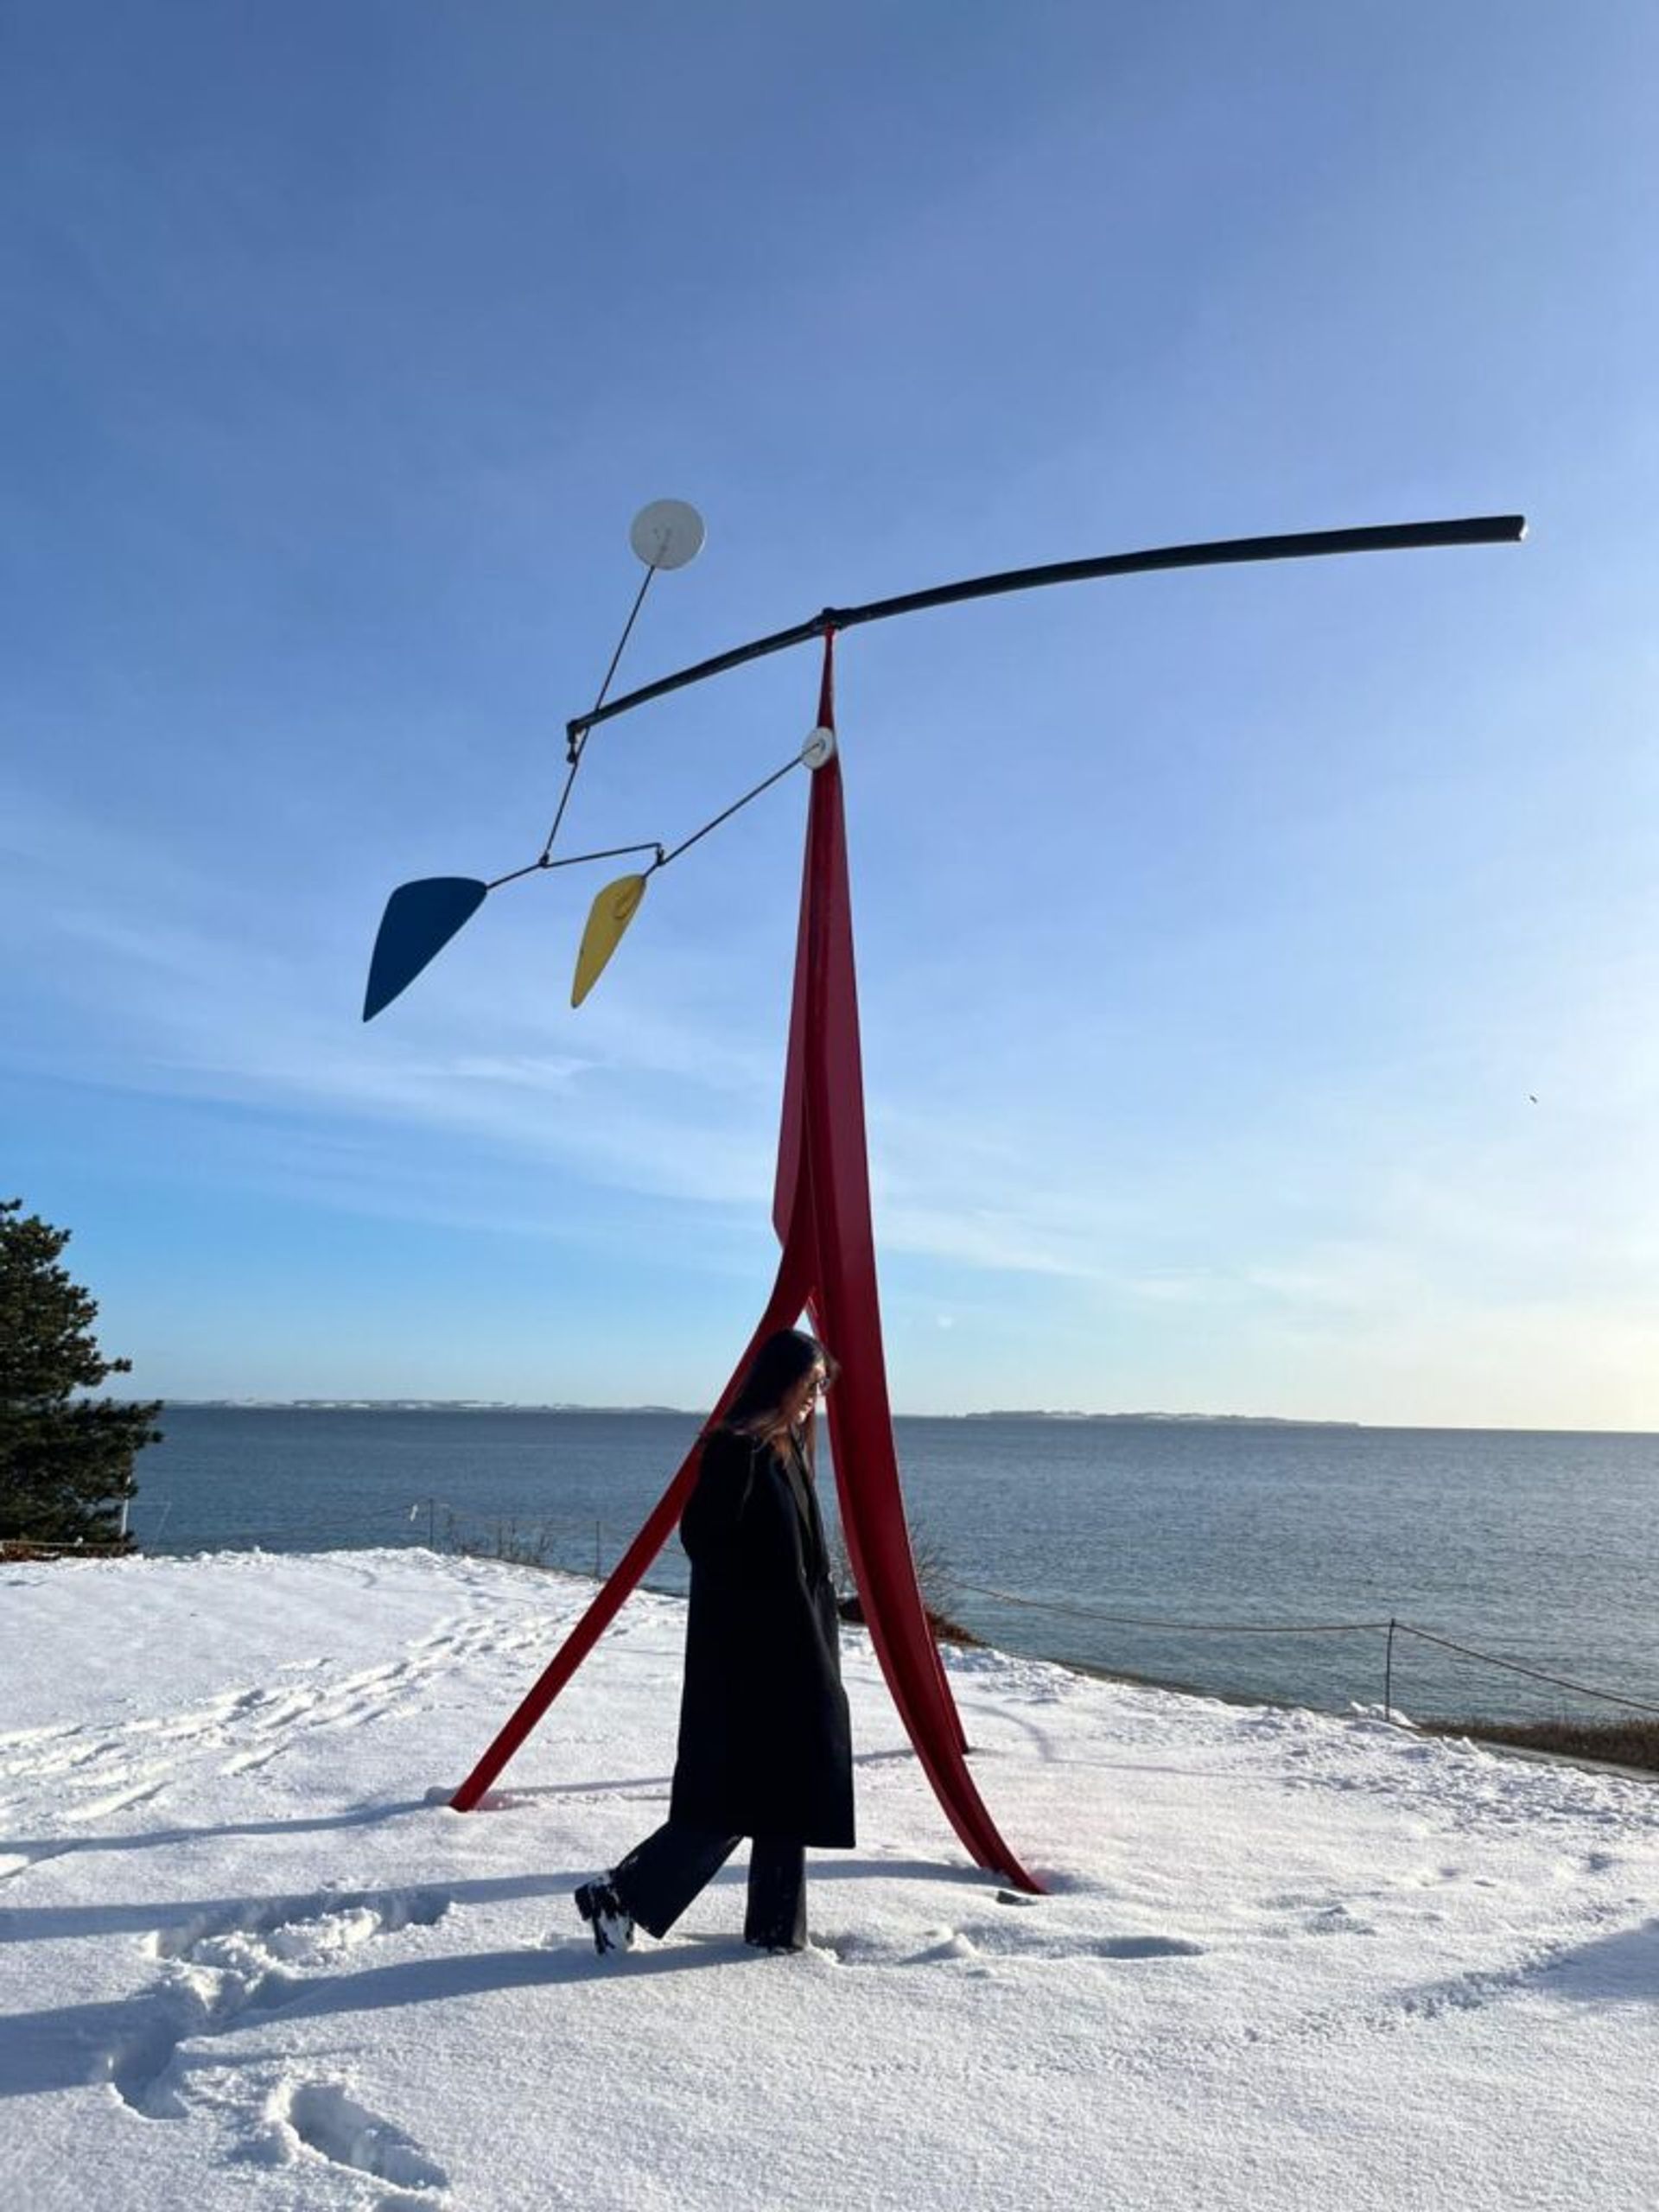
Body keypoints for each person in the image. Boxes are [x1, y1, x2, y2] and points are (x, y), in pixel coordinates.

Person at [575, 1327, 853, 1955]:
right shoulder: (738, 1451)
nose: (813, 1399)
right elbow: (706, 1543)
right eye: (807, 1386)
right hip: (757, 1655)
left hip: (800, 1645)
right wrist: (764, 1610)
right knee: (746, 1791)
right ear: (777, 1382)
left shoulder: (786, 1451)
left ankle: (778, 1933)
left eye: (819, 1389)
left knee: (790, 1789)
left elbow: (802, 1557)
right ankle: (623, 1893)